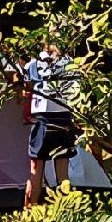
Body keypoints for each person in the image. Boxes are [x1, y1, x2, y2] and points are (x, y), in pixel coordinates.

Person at [22, 41, 82, 208]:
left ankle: (32, 208)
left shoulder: (33, 65)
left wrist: (26, 114)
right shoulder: (71, 63)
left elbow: (27, 92)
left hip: (42, 119)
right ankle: (65, 210)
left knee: (36, 168)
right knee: (62, 168)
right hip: (64, 118)